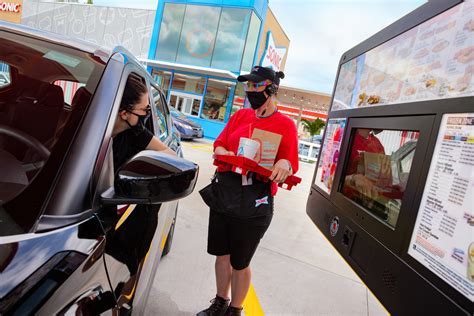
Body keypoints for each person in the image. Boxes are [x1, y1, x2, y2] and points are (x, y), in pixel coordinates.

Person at [197, 66, 299, 316]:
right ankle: (220, 303)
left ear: (272, 88)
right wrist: (225, 153)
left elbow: (290, 161)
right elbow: (219, 144)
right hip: (226, 191)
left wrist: (284, 164)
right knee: (222, 254)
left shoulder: (285, 125)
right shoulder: (239, 117)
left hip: (255, 200)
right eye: (248, 86)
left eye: (257, 85)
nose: (251, 90)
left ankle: (235, 309)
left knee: (240, 262)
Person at [112, 73, 175, 171]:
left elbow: (171, 155)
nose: (147, 114)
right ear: (124, 114)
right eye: (145, 109)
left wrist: (139, 162)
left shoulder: (137, 133)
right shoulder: (91, 131)